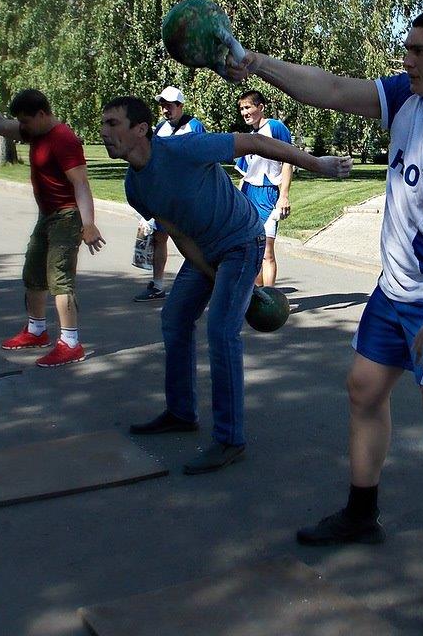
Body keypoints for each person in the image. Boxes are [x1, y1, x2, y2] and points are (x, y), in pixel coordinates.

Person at [223, 8, 423, 635]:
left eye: (419, 50)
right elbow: (330, 88)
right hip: (394, 289)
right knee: (362, 388)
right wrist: (256, 64)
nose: (406, 60)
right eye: (405, 48)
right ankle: (362, 514)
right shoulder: (404, 98)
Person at [101, 96, 351, 475]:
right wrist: (212, 273)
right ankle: (181, 412)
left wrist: (319, 164)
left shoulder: (185, 149)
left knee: (221, 329)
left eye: (112, 124)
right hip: (204, 251)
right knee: (174, 317)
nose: (104, 132)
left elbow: (255, 142)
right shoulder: (135, 187)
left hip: (241, 241)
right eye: (103, 124)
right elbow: (179, 234)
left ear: (140, 129)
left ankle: (230, 439)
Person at [0, 78, 105, 367]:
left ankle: (71, 343)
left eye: (26, 120)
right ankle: (36, 331)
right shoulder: (36, 131)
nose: (22, 126)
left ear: (42, 114)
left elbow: (81, 183)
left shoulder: (64, 139)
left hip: (67, 216)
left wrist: (88, 224)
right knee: (33, 273)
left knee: (59, 279)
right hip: (47, 215)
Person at [133, 85, 206, 303]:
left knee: (191, 240)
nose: (166, 109)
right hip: (164, 194)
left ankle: (204, 281)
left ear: (180, 106)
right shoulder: (160, 128)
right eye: (163, 105)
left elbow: (203, 159)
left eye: (170, 105)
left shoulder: (194, 126)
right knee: (159, 237)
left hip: (188, 194)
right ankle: (157, 285)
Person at [234, 90, 293, 287]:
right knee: (252, 252)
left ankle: (269, 297)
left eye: (248, 107)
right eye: (242, 109)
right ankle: (257, 294)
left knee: (267, 251)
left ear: (260, 107)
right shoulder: (248, 138)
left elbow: (288, 161)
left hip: (268, 194)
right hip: (248, 194)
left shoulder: (275, 127)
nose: (244, 112)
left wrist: (284, 196)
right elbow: (244, 175)